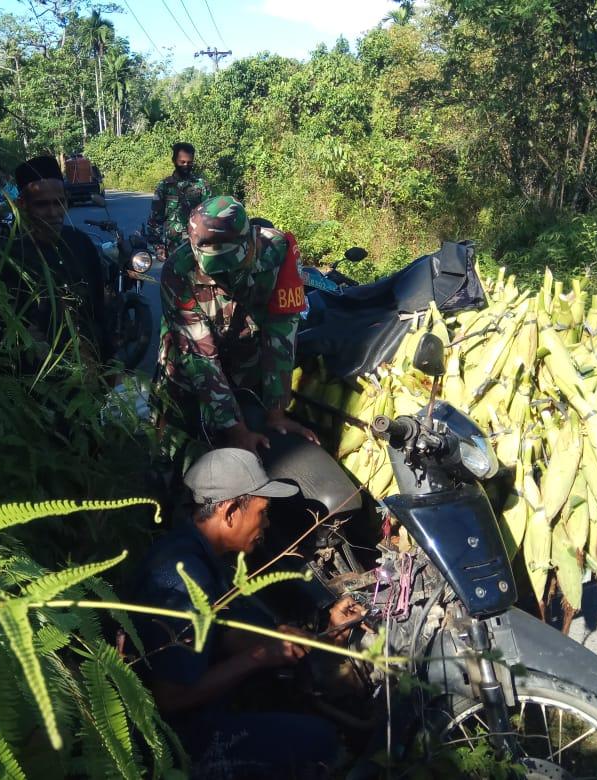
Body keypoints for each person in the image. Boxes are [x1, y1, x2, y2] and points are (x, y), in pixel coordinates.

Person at [133, 448, 357, 778]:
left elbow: (224, 633)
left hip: (204, 708)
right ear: (229, 512)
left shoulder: (198, 551)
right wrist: (258, 656)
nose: (267, 523)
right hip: (175, 740)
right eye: (262, 512)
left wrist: (321, 634)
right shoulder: (182, 578)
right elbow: (168, 698)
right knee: (322, 744)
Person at [155, 195, 318, 453]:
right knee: (177, 443)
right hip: (190, 371)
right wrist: (237, 431)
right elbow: (200, 357)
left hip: (247, 361)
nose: (225, 278)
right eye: (216, 271)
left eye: (231, 265)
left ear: (250, 242)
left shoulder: (278, 252)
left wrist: (276, 413)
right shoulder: (178, 271)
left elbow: (282, 333)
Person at [0, 155, 107, 368]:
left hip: (86, 370)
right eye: (42, 205)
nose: (53, 213)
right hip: (37, 375)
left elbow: (98, 309)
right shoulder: (11, 256)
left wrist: (105, 363)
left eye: (59, 202)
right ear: (23, 204)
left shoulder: (82, 244)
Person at [147, 142, 211, 257]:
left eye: (190, 162)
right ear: (174, 161)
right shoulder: (165, 186)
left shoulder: (201, 185)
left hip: (198, 245)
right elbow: (155, 219)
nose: (186, 165)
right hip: (173, 247)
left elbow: (210, 215)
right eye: (182, 162)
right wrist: (158, 246)